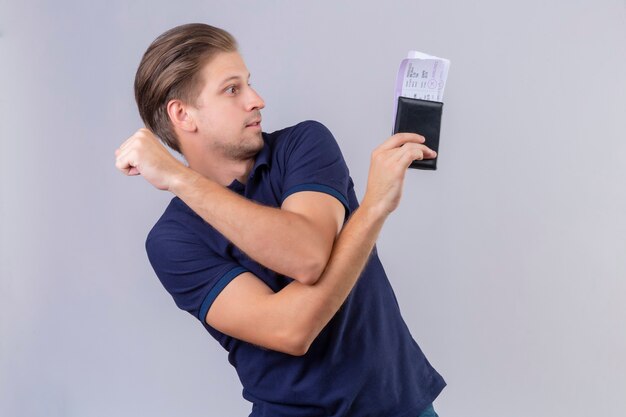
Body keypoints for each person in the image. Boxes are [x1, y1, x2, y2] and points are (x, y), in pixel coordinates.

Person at [115, 23, 446, 417]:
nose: (257, 100)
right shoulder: (172, 240)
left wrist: (177, 177)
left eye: (249, 84)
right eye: (232, 89)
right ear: (183, 114)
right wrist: (373, 207)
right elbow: (291, 330)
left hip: (401, 407)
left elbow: (306, 252)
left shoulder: (303, 144)